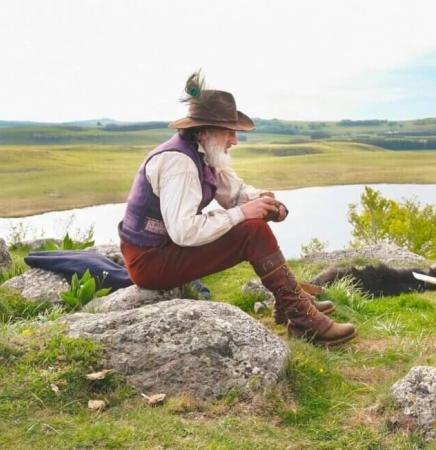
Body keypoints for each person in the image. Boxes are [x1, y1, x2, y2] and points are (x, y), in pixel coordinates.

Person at [117, 71, 356, 346]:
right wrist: (245, 212)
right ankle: (301, 316)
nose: (235, 140)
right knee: (251, 230)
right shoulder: (179, 163)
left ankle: (293, 305)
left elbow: (236, 194)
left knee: (253, 222)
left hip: (164, 251)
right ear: (205, 130)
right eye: (229, 132)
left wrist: (264, 202)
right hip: (150, 262)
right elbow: (184, 231)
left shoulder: (204, 153)